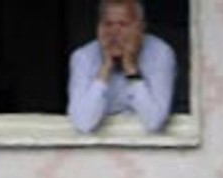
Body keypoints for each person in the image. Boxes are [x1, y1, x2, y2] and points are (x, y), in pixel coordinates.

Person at [67, 0, 176, 135]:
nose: (114, 32)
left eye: (123, 25)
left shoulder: (160, 53)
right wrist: (105, 68)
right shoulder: (83, 57)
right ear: (99, 28)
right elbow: (83, 123)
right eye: (108, 24)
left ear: (140, 28)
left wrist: (130, 68)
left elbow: (154, 121)